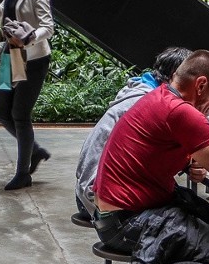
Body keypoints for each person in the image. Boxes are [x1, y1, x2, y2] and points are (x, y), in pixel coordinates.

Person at [93, 50, 209, 264]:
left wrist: (189, 160)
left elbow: (153, 151)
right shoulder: (180, 112)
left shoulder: (160, 96)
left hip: (111, 218)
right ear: (200, 85)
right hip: (126, 224)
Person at [75, 46, 191, 219]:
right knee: (189, 216)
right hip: (97, 198)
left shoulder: (143, 93)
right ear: (176, 75)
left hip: (89, 190)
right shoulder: (149, 103)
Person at [0, 0, 55, 190]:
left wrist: (28, 39)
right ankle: (34, 151)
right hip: (10, 57)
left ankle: (22, 172)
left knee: (19, 114)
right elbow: (4, 19)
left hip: (33, 59)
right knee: (0, 108)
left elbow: (48, 27)